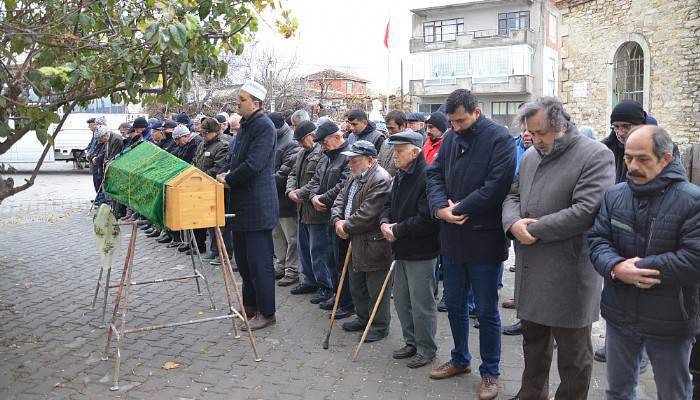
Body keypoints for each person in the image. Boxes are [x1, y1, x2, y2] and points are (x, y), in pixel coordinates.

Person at [501, 97, 615, 399]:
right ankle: (531, 394)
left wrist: (532, 230)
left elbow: (586, 210)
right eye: (531, 133)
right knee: (533, 345)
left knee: (574, 356)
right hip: (531, 269)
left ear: (561, 124)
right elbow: (512, 194)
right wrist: (513, 223)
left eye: (541, 133)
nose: (536, 140)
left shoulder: (595, 155)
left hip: (569, 274)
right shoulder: (530, 156)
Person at [588, 125, 700, 399]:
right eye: (628, 158)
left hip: (670, 319)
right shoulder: (615, 195)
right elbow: (597, 241)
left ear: (665, 159)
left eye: (643, 159)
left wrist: (635, 269)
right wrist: (615, 267)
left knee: (673, 392)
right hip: (620, 315)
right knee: (617, 391)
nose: (633, 166)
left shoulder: (692, 201)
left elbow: (693, 258)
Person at [426, 89, 515, 400]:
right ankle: (460, 359)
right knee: (453, 303)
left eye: (461, 121)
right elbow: (434, 174)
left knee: (487, 310)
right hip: (451, 239)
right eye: (451, 122)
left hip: (484, 240)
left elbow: (496, 186)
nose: (456, 127)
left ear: (477, 112)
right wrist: (441, 209)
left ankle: (490, 372)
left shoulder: (500, 139)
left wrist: (459, 209)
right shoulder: (450, 137)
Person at [216, 80, 278, 330]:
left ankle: (267, 312)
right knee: (243, 261)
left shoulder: (264, 127)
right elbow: (237, 158)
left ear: (256, 102)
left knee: (259, 264)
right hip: (241, 206)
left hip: (257, 207)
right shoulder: (245, 126)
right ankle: (250, 306)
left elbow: (254, 164)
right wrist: (225, 173)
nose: (237, 103)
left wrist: (229, 179)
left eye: (242, 100)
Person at [380, 130, 440, 368]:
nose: (395, 156)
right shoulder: (401, 174)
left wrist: (397, 229)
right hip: (401, 247)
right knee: (402, 300)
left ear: (415, 153)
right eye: (394, 151)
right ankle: (411, 341)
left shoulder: (427, 176)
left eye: (399, 151)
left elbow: (427, 219)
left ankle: (426, 348)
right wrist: (384, 222)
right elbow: (388, 203)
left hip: (421, 250)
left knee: (422, 302)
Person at [331, 140, 393, 343]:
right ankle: (363, 317)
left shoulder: (380, 179)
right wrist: (337, 220)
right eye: (349, 160)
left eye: (354, 161)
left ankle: (379, 325)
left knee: (376, 287)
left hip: (373, 242)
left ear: (370, 160)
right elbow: (340, 198)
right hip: (355, 238)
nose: (350, 164)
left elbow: (368, 213)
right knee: (356, 284)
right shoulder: (355, 175)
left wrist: (345, 226)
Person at [307, 122, 354, 319]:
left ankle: (346, 302)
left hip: (340, 216)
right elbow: (315, 180)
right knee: (331, 259)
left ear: (337, 137)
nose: (323, 147)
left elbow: (344, 185)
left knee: (342, 261)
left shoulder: (348, 156)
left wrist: (322, 198)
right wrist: (313, 197)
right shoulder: (326, 157)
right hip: (326, 215)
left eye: (325, 143)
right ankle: (337, 295)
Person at [286, 121, 335, 302]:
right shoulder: (301, 153)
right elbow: (291, 174)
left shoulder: (322, 153)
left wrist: (300, 193)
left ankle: (325, 286)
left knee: (318, 251)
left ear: (310, 136)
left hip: (316, 213)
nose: (299, 144)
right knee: (304, 249)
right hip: (302, 210)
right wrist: (291, 191)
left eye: (300, 140)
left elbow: (317, 180)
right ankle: (310, 280)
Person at [268, 112, 302, 283]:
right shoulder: (271, 138)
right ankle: (280, 266)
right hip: (273, 197)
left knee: (291, 237)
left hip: (285, 199)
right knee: (277, 235)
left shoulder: (291, 142)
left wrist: (264, 182)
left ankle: (292, 270)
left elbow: (286, 173)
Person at [193, 117, 231, 259]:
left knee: (221, 223)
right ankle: (215, 250)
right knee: (210, 221)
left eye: (206, 133)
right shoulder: (203, 143)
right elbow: (196, 161)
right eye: (202, 133)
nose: (203, 135)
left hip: (218, 190)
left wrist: (199, 177)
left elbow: (219, 168)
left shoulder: (223, 145)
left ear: (215, 132)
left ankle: (223, 252)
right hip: (204, 188)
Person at [377, 111, 407, 177]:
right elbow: (378, 161)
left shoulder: (409, 144)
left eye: (392, 128)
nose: (389, 132)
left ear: (403, 126)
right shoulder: (386, 142)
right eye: (388, 128)